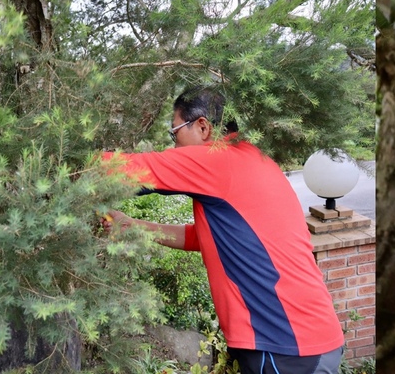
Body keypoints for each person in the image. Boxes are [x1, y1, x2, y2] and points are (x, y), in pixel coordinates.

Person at [101, 88, 344, 374]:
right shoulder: (253, 159)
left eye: (175, 133)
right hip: (307, 339)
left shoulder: (219, 159)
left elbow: (115, 169)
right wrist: (134, 225)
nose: (175, 146)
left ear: (203, 127)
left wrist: (59, 156)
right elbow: (204, 238)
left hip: (285, 346)